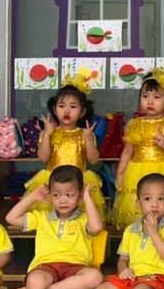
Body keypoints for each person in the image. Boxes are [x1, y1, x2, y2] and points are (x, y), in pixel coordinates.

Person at [6, 165, 104, 289]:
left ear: (79, 195)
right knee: (35, 280)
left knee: (95, 277)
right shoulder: (41, 218)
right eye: (57, 195)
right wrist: (32, 197)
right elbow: (11, 218)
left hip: (76, 268)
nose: (63, 200)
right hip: (46, 267)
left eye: (70, 195)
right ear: (50, 196)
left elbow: (96, 227)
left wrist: (87, 198)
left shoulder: (84, 219)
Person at [111, 68, 164, 228]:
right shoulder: (134, 124)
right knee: (139, 211)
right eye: (145, 96)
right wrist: (120, 173)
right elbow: (128, 150)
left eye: (156, 97)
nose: (150, 101)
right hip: (136, 171)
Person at [22, 70, 105, 215]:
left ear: (82, 112)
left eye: (73, 106)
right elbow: (43, 158)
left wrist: (88, 139)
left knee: (80, 217)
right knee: (50, 217)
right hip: (53, 182)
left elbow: (93, 160)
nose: (67, 111)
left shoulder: (85, 134)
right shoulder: (48, 133)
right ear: (55, 110)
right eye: (61, 106)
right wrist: (47, 135)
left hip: (78, 182)